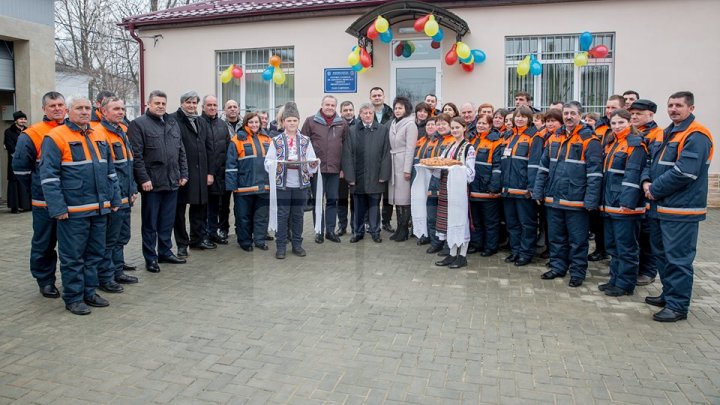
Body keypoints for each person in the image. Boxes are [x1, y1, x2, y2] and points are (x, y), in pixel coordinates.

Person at [39, 95, 121, 315]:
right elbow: (49, 177)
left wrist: (114, 199)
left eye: (86, 108)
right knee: (73, 256)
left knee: (95, 253)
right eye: (79, 108)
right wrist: (58, 208)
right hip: (73, 212)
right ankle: (73, 297)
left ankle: (89, 292)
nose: (84, 111)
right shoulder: (55, 137)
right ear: (68, 111)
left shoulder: (99, 135)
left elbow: (111, 171)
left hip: (99, 209)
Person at [642, 91, 713, 322]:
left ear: (690, 108)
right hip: (660, 208)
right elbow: (650, 162)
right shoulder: (666, 133)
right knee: (662, 255)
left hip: (681, 210)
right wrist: (645, 182)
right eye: (670, 105)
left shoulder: (697, 135)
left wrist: (654, 189)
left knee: (678, 259)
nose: (673, 109)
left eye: (679, 106)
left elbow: (684, 172)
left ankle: (678, 306)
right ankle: (669, 294)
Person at [533, 101, 602, 287]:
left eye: (572, 113)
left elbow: (595, 174)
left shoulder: (590, 140)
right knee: (556, 237)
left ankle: (578, 272)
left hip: (577, 202)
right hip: (553, 198)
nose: (568, 117)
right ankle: (557, 267)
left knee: (578, 241)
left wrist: (591, 200)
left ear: (580, 115)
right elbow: (543, 168)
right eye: (566, 113)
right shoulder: (554, 138)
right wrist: (539, 191)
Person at [12, 92, 66, 298]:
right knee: (44, 242)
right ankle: (45, 280)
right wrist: (37, 189)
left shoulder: (73, 130)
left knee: (72, 244)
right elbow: (20, 169)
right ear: (44, 109)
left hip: (71, 201)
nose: (57, 108)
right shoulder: (33, 133)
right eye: (52, 105)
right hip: (44, 201)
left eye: (60, 104)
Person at [129, 90, 189, 273]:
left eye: (163, 103)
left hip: (172, 182)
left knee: (166, 221)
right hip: (152, 184)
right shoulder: (138, 124)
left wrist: (183, 173)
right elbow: (136, 156)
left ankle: (165, 252)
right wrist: (144, 179)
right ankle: (150, 258)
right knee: (150, 223)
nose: (161, 106)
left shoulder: (172, 123)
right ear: (148, 104)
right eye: (157, 103)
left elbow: (180, 150)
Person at [597, 109, 647, 297]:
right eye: (614, 123)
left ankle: (625, 284)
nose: (617, 126)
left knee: (626, 247)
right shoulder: (611, 143)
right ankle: (615, 280)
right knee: (613, 246)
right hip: (609, 204)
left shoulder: (635, 144)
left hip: (625, 206)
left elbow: (632, 175)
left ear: (630, 122)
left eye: (621, 123)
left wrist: (627, 202)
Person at [92, 96, 139, 291]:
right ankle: (106, 277)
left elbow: (129, 165)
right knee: (109, 239)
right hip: (113, 197)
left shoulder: (122, 132)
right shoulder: (99, 133)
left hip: (125, 195)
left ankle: (117, 271)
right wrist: (113, 196)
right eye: (115, 109)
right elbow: (103, 171)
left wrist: (133, 189)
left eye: (122, 109)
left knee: (121, 236)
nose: (120, 112)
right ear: (104, 111)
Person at [265, 102, 319, 259]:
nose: (292, 123)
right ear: (283, 122)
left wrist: (313, 164)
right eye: (289, 120)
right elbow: (268, 162)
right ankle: (281, 246)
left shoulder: (305, 140)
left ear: (298, 121)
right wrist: (277, 164)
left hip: (300, 185)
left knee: (298, 215)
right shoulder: (276, 141)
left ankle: (297, 244)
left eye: (295, 120)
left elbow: (311, 161)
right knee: (282, 216)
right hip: (283, 184)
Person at [171, 91, 216, 256]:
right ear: (182, 103)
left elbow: (209, 148)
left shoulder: (201, 121)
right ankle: (182, 244)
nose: (191, 106)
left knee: (199, 208)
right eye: (188, 102)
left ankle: (197, 240)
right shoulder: (173, 120)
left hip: (201, 172)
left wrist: (210, 172)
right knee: (179, 211)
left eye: (194, 103)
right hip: (182, 173)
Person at [500, 106, 543, 267]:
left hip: (523, 189)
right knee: (512, 223)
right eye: (517, 117)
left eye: (523, 117)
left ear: (529, 119)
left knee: (527, 223)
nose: (519, 119)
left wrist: (532, 188)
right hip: (508, 189)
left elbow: (534, 165)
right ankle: (515, 250)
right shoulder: (508, 135)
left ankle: (526, 253)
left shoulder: (534, 137)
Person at [301, 95, 348, 243]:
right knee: (318, 201)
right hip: (316, 171)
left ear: (336, 107)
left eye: (332, 105)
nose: (329, 107)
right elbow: (303, 145)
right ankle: (318, 231)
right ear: (322, 105)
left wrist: (343, 168)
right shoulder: (310, 121)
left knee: (332, 200)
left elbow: (346, 147)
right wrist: (306, 167)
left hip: (335, 170)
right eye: (327, 104)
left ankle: (330, 231)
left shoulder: (342, 123)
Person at [342, 103, 391, 243]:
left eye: (370, 113)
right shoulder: (352, 131)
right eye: (365, 113)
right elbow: (347, 154)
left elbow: (386, 154)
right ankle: (358, 232)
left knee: (375, 206)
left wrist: (383, 175)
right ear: (360, 114)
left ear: (373, 114)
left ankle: (375, 232)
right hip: (358, 178)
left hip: (376, 177)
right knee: (358, 207)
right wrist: (350, 177)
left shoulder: (382, 130)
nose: (368, 115)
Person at [431, 117, 476, 268]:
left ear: (464, 128)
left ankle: (462, 256)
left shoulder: (469, 148)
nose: (455, 130)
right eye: (453, 127)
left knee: (460, 221)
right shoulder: (449, 146)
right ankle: (451, 254)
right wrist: (435, 166)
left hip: (459, 188)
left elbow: (470, 173)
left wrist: (455, 166)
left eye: (458, 127)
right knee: (449, 221)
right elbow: (441, 165)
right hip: (446, 187)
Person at [225, 112, 272, 251]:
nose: (254, 125)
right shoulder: (236, 140)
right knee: (243, 217)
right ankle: (245, 242)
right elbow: (231, 165)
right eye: (251, 122)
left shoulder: (268, 139)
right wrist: (232, 185)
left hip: (264, 186)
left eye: (256, 122)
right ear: (245, 123)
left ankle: (259, 240)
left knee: (261, 217)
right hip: (244, 187)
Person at [588, 95, 626, 262]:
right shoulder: (600, 127)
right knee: (598, 220)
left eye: (613, 107)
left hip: (616, 184)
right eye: (608, 107)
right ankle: (601, 249)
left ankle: (615, 257)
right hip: (600, 178)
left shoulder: (624, 132)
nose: (609, 111)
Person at [629, 99, 662, 286]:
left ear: (650, 115)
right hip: (630, 190)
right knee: (635, 233)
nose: (634, 116)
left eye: (638, 114)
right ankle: (634, 267)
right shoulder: (632, 133)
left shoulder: (658, 135)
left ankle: (648, 271)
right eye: (632, 113)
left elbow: (652, 163)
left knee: (648, 234)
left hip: (647, 190)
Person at [468, 113, 502, 256]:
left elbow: (498, 166)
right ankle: (477, 244)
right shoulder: (472, 140)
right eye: (479, 123)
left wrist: (494, 186)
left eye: (484, 123)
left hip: (487, 188)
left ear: (490, 125)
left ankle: (491, 246)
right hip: (473, 187)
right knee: (475, 220)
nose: (481, 126)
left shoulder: (496, 142)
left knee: (490, 221)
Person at [388, 97, 418, 242]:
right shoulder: (393, 123)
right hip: (393, 162)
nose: (397, 110)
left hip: (403, 163)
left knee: (404, 199)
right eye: (395, 108)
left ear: (406, 109)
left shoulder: (410, 124)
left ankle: (404, 230)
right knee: (397, 199)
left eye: (400, 108)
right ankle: (399, 228)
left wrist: (407, 169)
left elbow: (410, 148)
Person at [202, 95, 231, 245]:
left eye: (214, 105)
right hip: (206, 174)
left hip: (221, 173)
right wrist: (208, 172)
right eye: (209, 105)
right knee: (204, 208)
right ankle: (204, 235)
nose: (212, 107)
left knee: (216, 205)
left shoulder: (222, 124)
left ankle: (213, 233)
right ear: (203, 107)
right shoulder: (200, 123)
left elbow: (227, 147)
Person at [369, 87, 394, 231]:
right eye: (374, 95)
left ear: (384, 97)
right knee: (372, 192)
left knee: (387, 193)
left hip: (387, 157)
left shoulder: (392, 114)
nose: (377, 97)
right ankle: (372, 222)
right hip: (371, 159)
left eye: (379, 95)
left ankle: (386, 221)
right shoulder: (366, 113)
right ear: (370, 97)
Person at [412, 115, 439, 247]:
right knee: (422, 208)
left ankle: (435, 240)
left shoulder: (439, 142)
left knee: (432, 211)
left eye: (433, 124)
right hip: (420, 181)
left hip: (433, 180)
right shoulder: (421, 141)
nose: (430, 127)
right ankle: (424, 234)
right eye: (428, 125)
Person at [4, 110, 31, 213]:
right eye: (21, 119)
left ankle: (26, 206)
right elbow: (9, 146)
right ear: (16, 120)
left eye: (24, 119)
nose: (23, 121)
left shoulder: (28, 131)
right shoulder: (8, 132)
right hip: (14, 160)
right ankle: (15, 207)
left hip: (27, 161)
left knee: (25, 182)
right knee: (14, 182)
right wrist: (19, 156)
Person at [338, 100, 358, 236]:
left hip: (357, 169)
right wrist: (340, 168)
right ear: (341, 112)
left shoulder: (360, 125)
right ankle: (342, 226)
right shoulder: (337, 125)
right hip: (341, 170)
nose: (348, 112)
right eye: (345, 110)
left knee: (356, 200)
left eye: (350, 110)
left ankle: (355, 226)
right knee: (342, 199)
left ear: (354, 111)